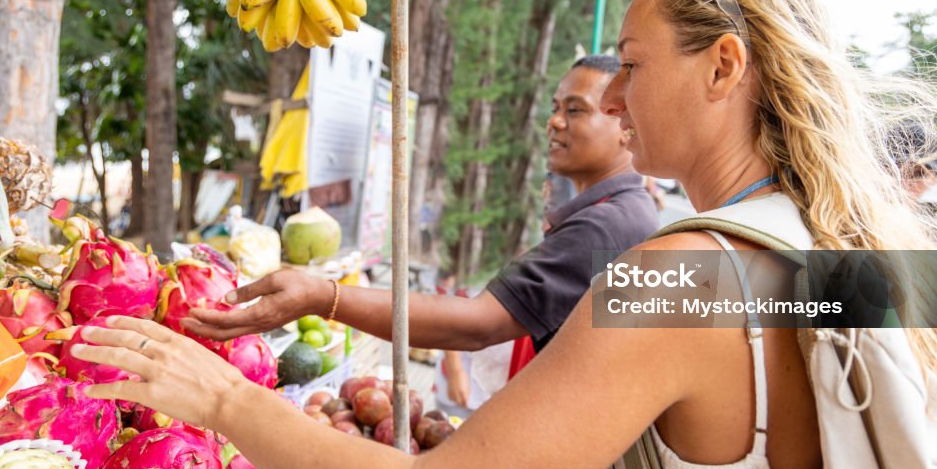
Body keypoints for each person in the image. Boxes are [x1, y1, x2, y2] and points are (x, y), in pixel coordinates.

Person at [74, 0, 937, 469]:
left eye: (631, 64)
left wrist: (223, 399)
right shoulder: (836, 242)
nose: (617, 96)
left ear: (724, 67)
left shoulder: (683, 277)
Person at [183, 54, 659, 359]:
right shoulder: (620, 212)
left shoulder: (608, 225)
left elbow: (478, 324)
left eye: (575, 109)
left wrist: (321, 297)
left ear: (623, 119)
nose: (554, 121)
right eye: (555, 106)